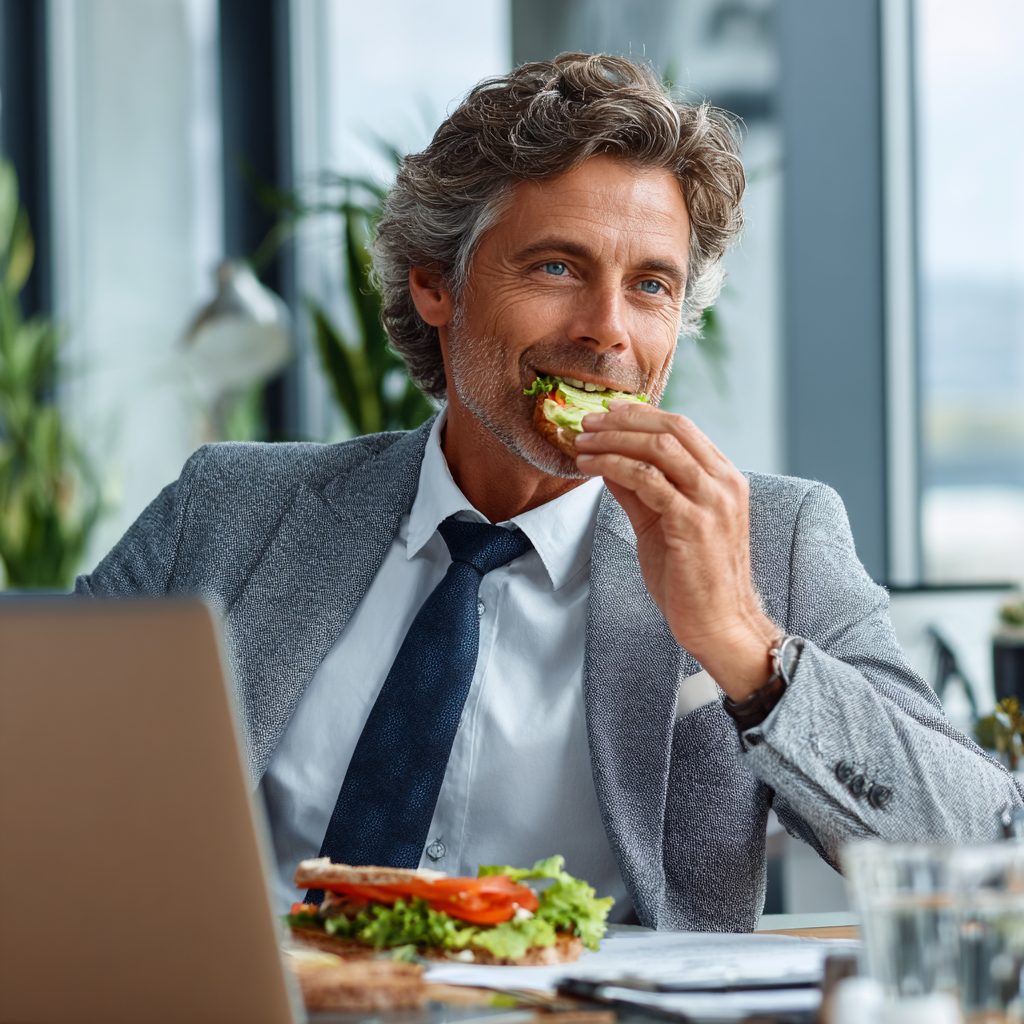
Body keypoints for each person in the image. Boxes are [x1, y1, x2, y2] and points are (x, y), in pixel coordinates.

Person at [76, 53, 1021, 932]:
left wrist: (746, 647)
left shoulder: (772, 540)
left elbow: (984, 858)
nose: (608, 332)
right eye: (558, 267)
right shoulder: (229, 509)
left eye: (651, 286)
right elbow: (38, 762)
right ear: (436, 286)